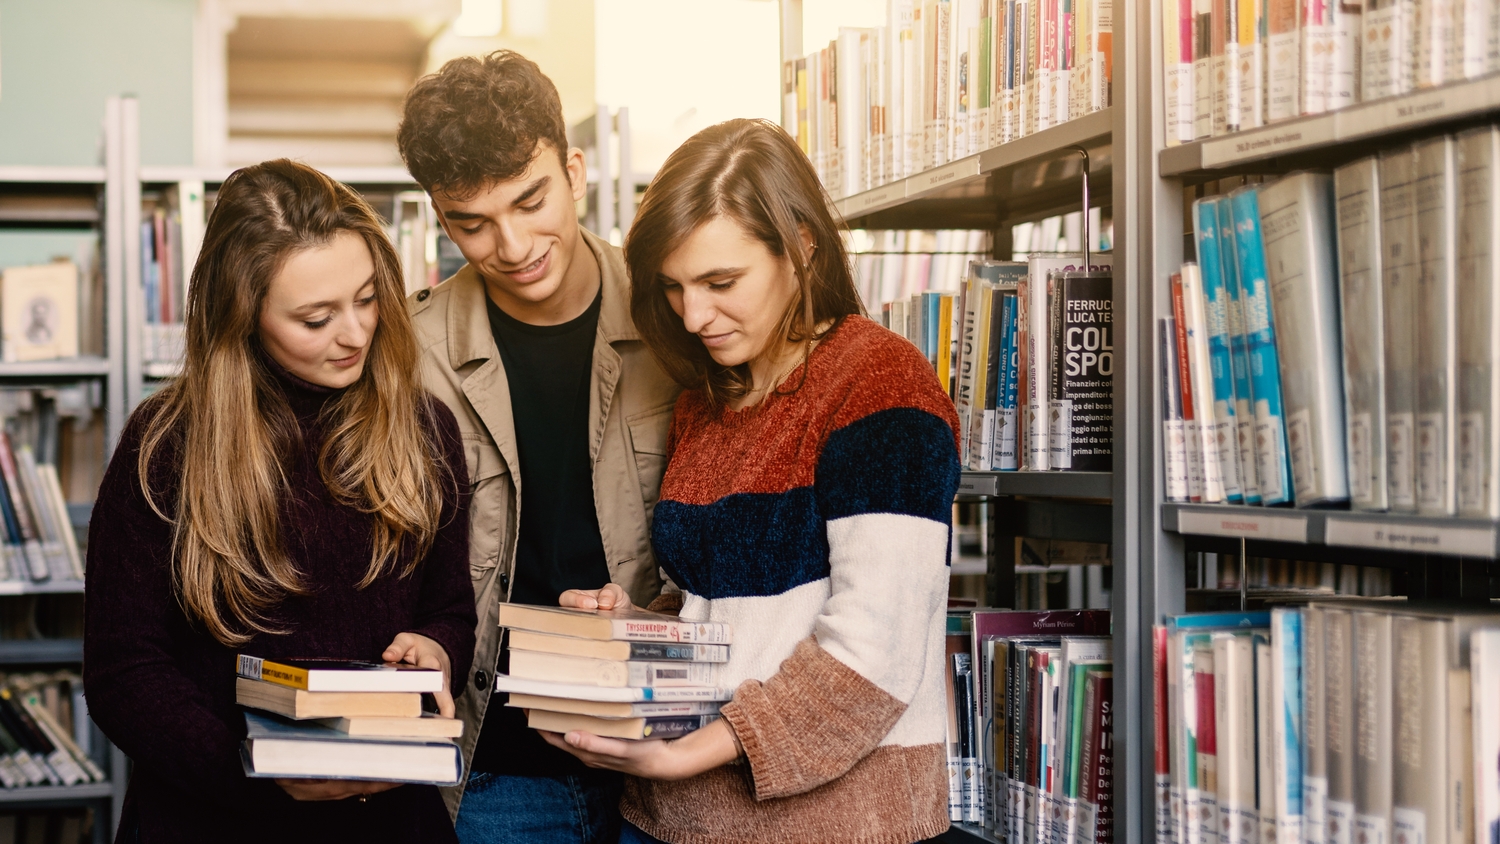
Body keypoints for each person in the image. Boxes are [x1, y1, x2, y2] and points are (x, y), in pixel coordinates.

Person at [544, 117, 961, 843]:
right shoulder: (706, 402)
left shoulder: (880, 383)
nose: (694, 314)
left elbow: (876, 651)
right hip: (669, 821)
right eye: (673, 286)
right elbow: (726, 620)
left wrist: (685, 756)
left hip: (828, 824)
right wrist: (637, 629)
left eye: (720, 281)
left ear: (801, 244)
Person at [83, 160, 477, 844]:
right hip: (210, 820)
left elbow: (448, 610)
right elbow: (124, 672)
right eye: (316, 318)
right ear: (244, 317)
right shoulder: (165, 446)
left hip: (386, 821)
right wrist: (254, 769)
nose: (355, 334)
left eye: (365, 299)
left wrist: (437, 650)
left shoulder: (425, 428)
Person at [396, 50, 682, 842]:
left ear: (576, 169)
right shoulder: (406, 353)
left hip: (664, 753)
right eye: (472, 223)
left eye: (531, 200)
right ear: (438, 217)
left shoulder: (678, 319)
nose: (514, 244)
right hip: (496, 772)